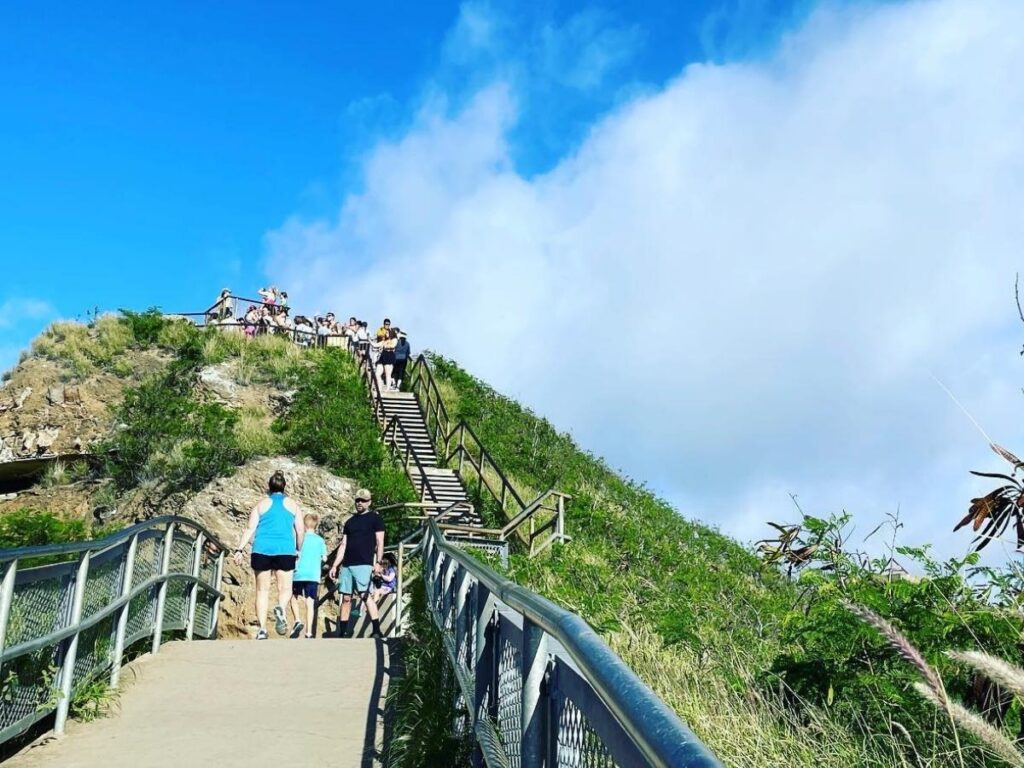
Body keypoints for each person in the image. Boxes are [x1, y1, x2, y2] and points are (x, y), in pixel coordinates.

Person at [234, 471, 305, 639]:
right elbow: (300, 531)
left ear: (269, 486)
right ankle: (280, 606)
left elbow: (250, 529)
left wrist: (239, 549)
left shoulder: (260, 505)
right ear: (284, 486)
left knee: (262, 590)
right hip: (285, 549)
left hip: (262, 549)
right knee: (285, 588)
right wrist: (298, 549)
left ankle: (262, 630)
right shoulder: (293, 505)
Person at [328, 488, 385, 639]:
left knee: (365, 595)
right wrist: (335, 565)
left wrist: (378, 562)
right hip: (347, 564)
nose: (360, 503)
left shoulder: (375, 519)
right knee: (346, 598)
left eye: (363, 500)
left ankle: (377, 630)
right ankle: (342, 632)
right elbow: (343, 545)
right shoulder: (349, 522)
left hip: (364, 563)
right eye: (358, 500)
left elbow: (380, 541)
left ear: (369, 502)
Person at [290, 513, 327, 639]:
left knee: (293, 596)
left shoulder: (299, 538)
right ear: (315, 526)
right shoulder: (320, 540)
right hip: (313, 575)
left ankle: (297, 619)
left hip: (298, 573)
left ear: (304, 525)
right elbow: (325, 558)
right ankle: (309, 632)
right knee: (310, 603)